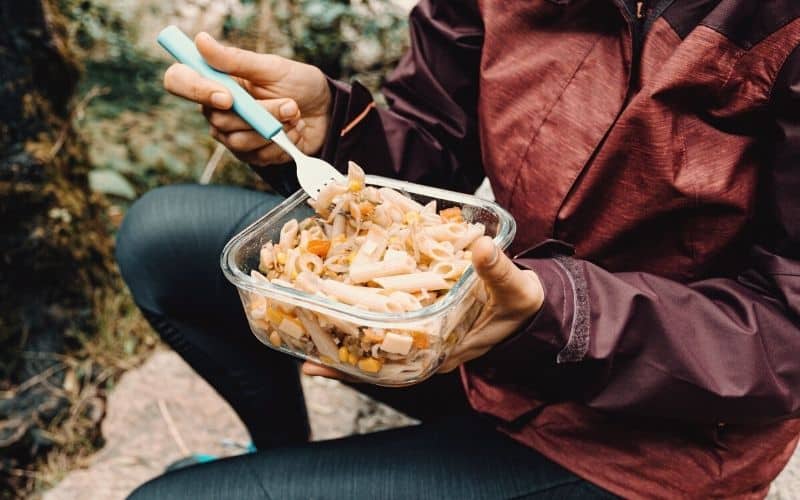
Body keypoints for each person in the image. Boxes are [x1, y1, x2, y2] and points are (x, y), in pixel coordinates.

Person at [116, 1, 800, 498]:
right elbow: (430, 149)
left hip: (651, 439)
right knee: (164, 237)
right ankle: (283, 458)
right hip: (486, 341)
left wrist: (558, 310)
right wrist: (335, 131)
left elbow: (789, 330)